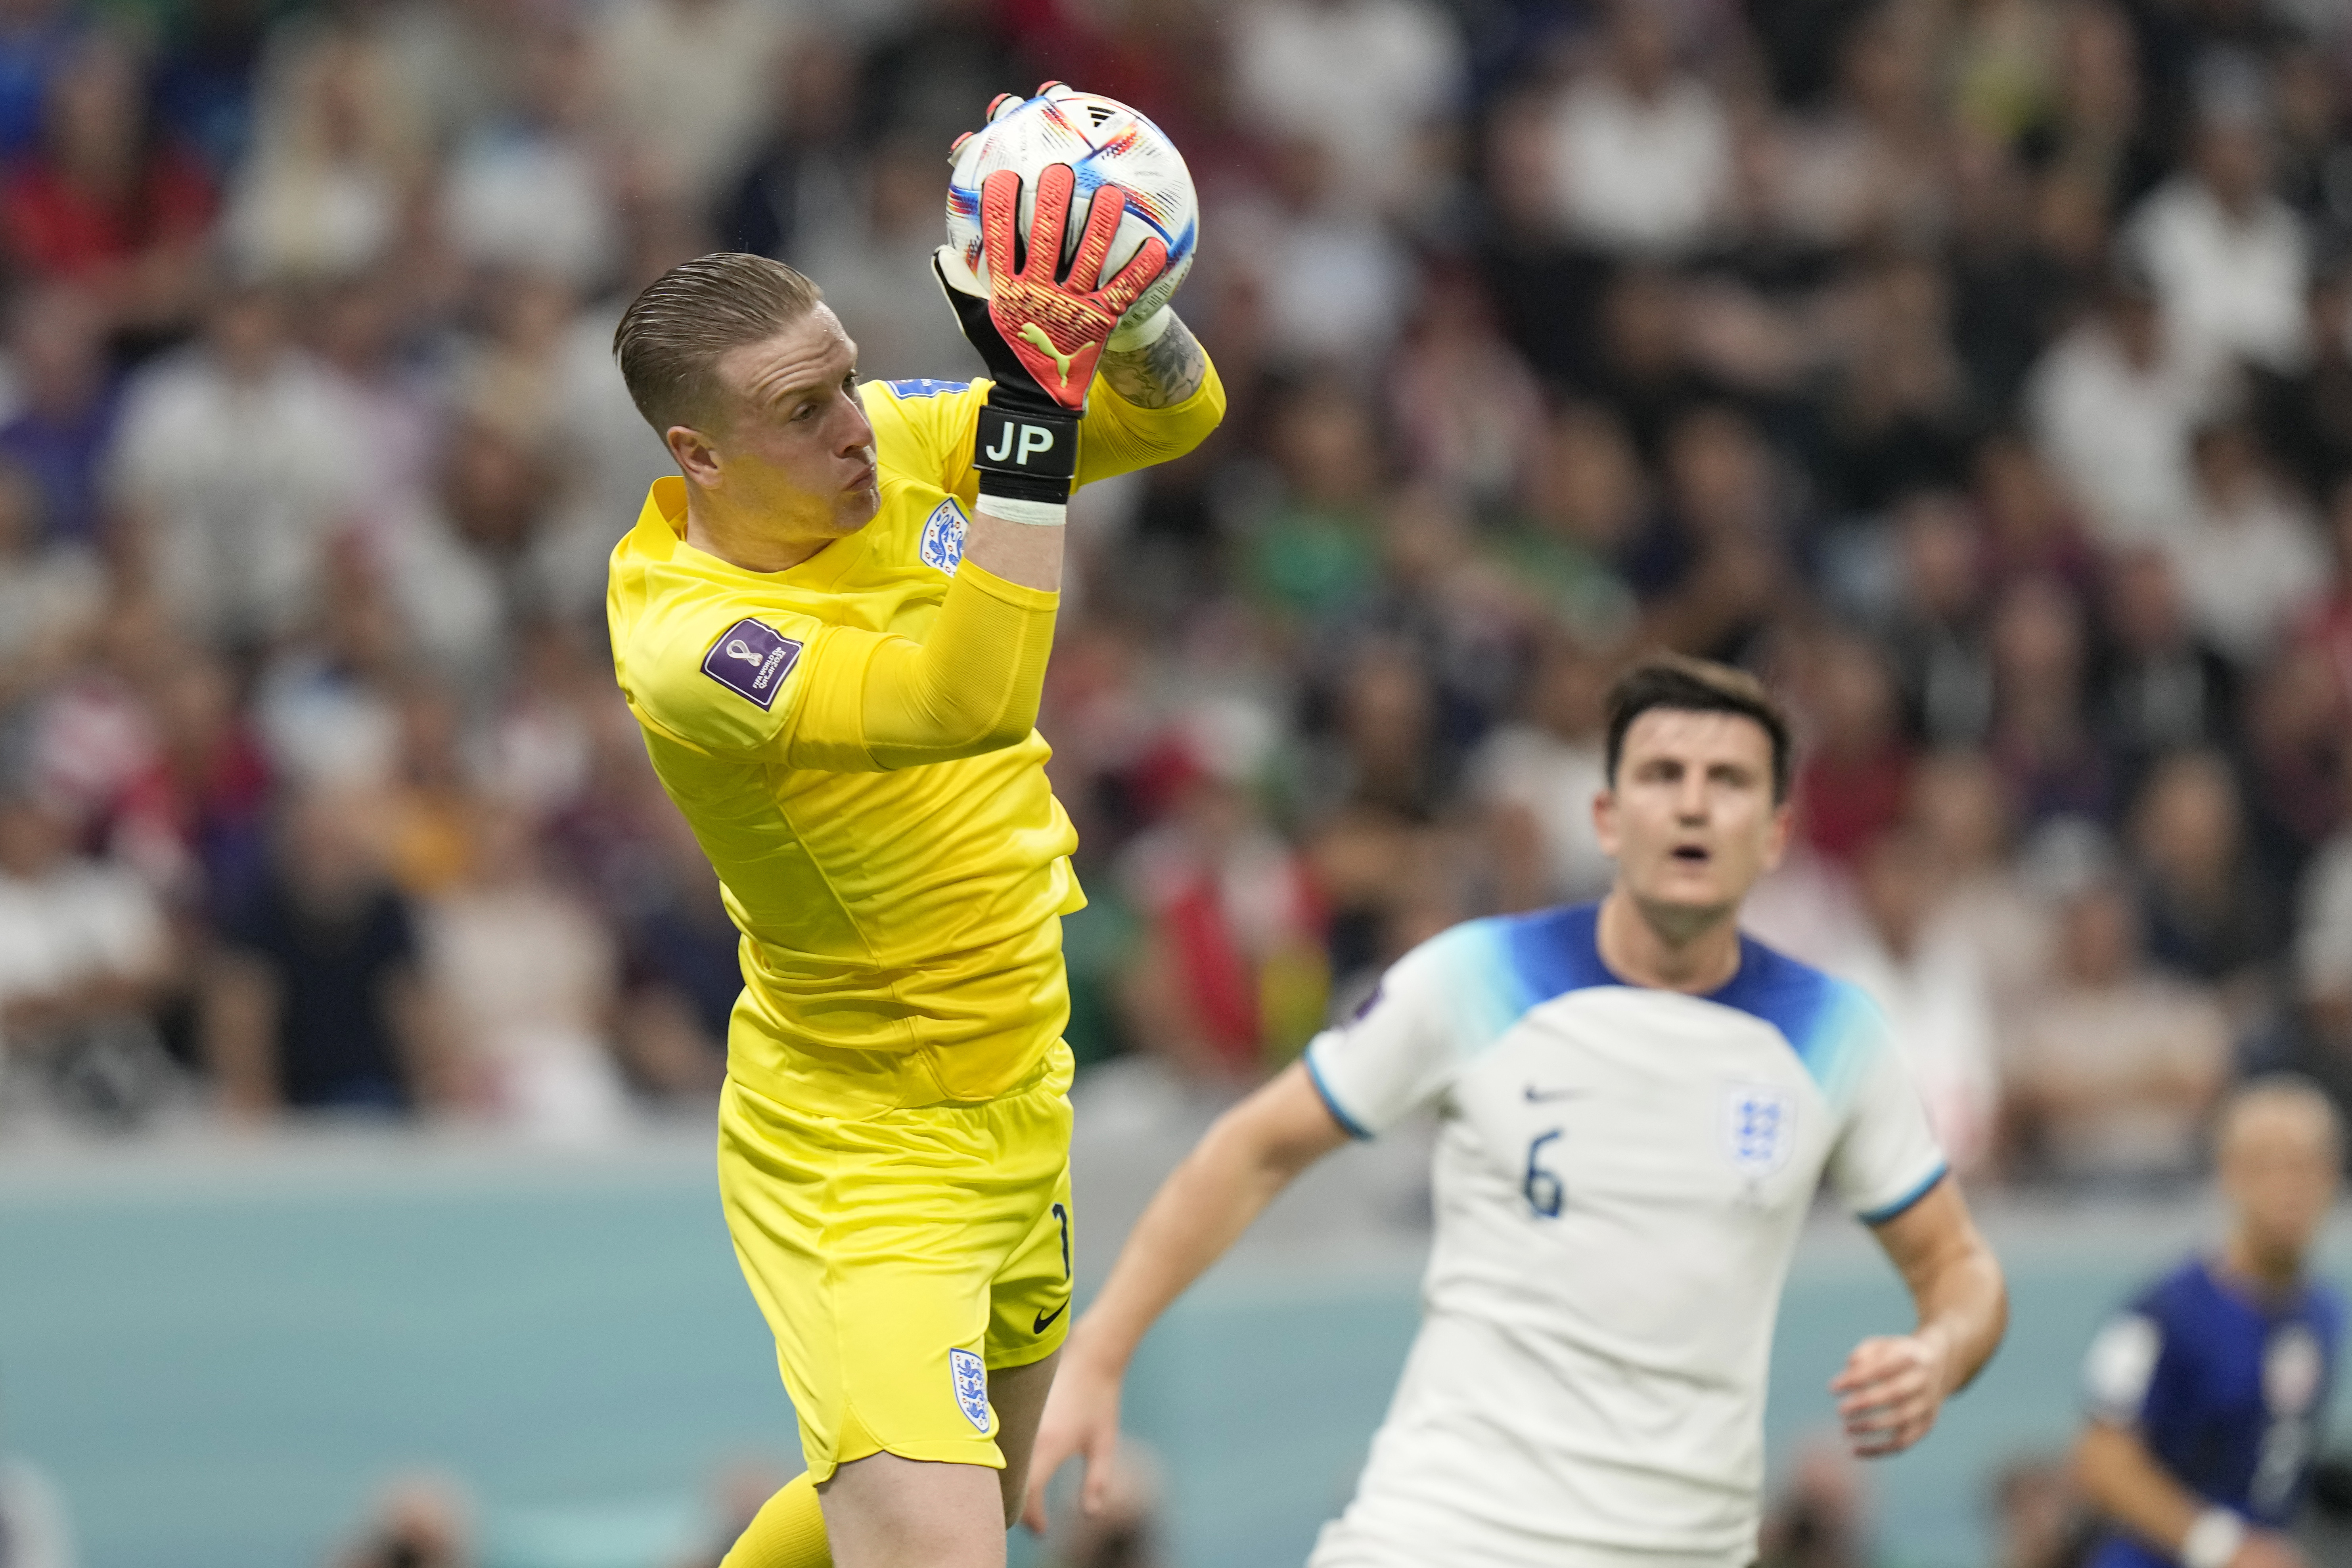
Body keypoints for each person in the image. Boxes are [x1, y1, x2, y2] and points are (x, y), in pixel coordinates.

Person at [603, 84, 1222, 1568]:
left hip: (1019, 1084)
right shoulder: (695, 642)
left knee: (951, 1508)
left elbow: (1176, 410)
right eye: (798, 410)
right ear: (699, 452)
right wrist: (1030, 411)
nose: (851, 427)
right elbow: (969, 700)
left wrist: (1111, 320)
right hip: (861, 1146)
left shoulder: (882, 442)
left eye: (847, 379)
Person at [1027, 655, 2009, 1567]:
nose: (1693, 807)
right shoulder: (1475, 977)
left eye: (1730, 782)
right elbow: (1254, 1149)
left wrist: (1940, 1351)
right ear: (1606, 818)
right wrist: (1098, 1353)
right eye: (1662, 775)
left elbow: (1957, 1270)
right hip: (1440, 1530)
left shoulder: (1834, 1035)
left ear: (1777, 833)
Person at [2073, 1078, 2344, 1568]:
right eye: (2266, 1166)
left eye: (2304, 1165)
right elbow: (2102, 1460)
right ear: (2229, 1176)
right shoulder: (2163, 1313)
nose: (2289, 1186)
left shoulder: (2321, 1315)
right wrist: (2221, 1546)